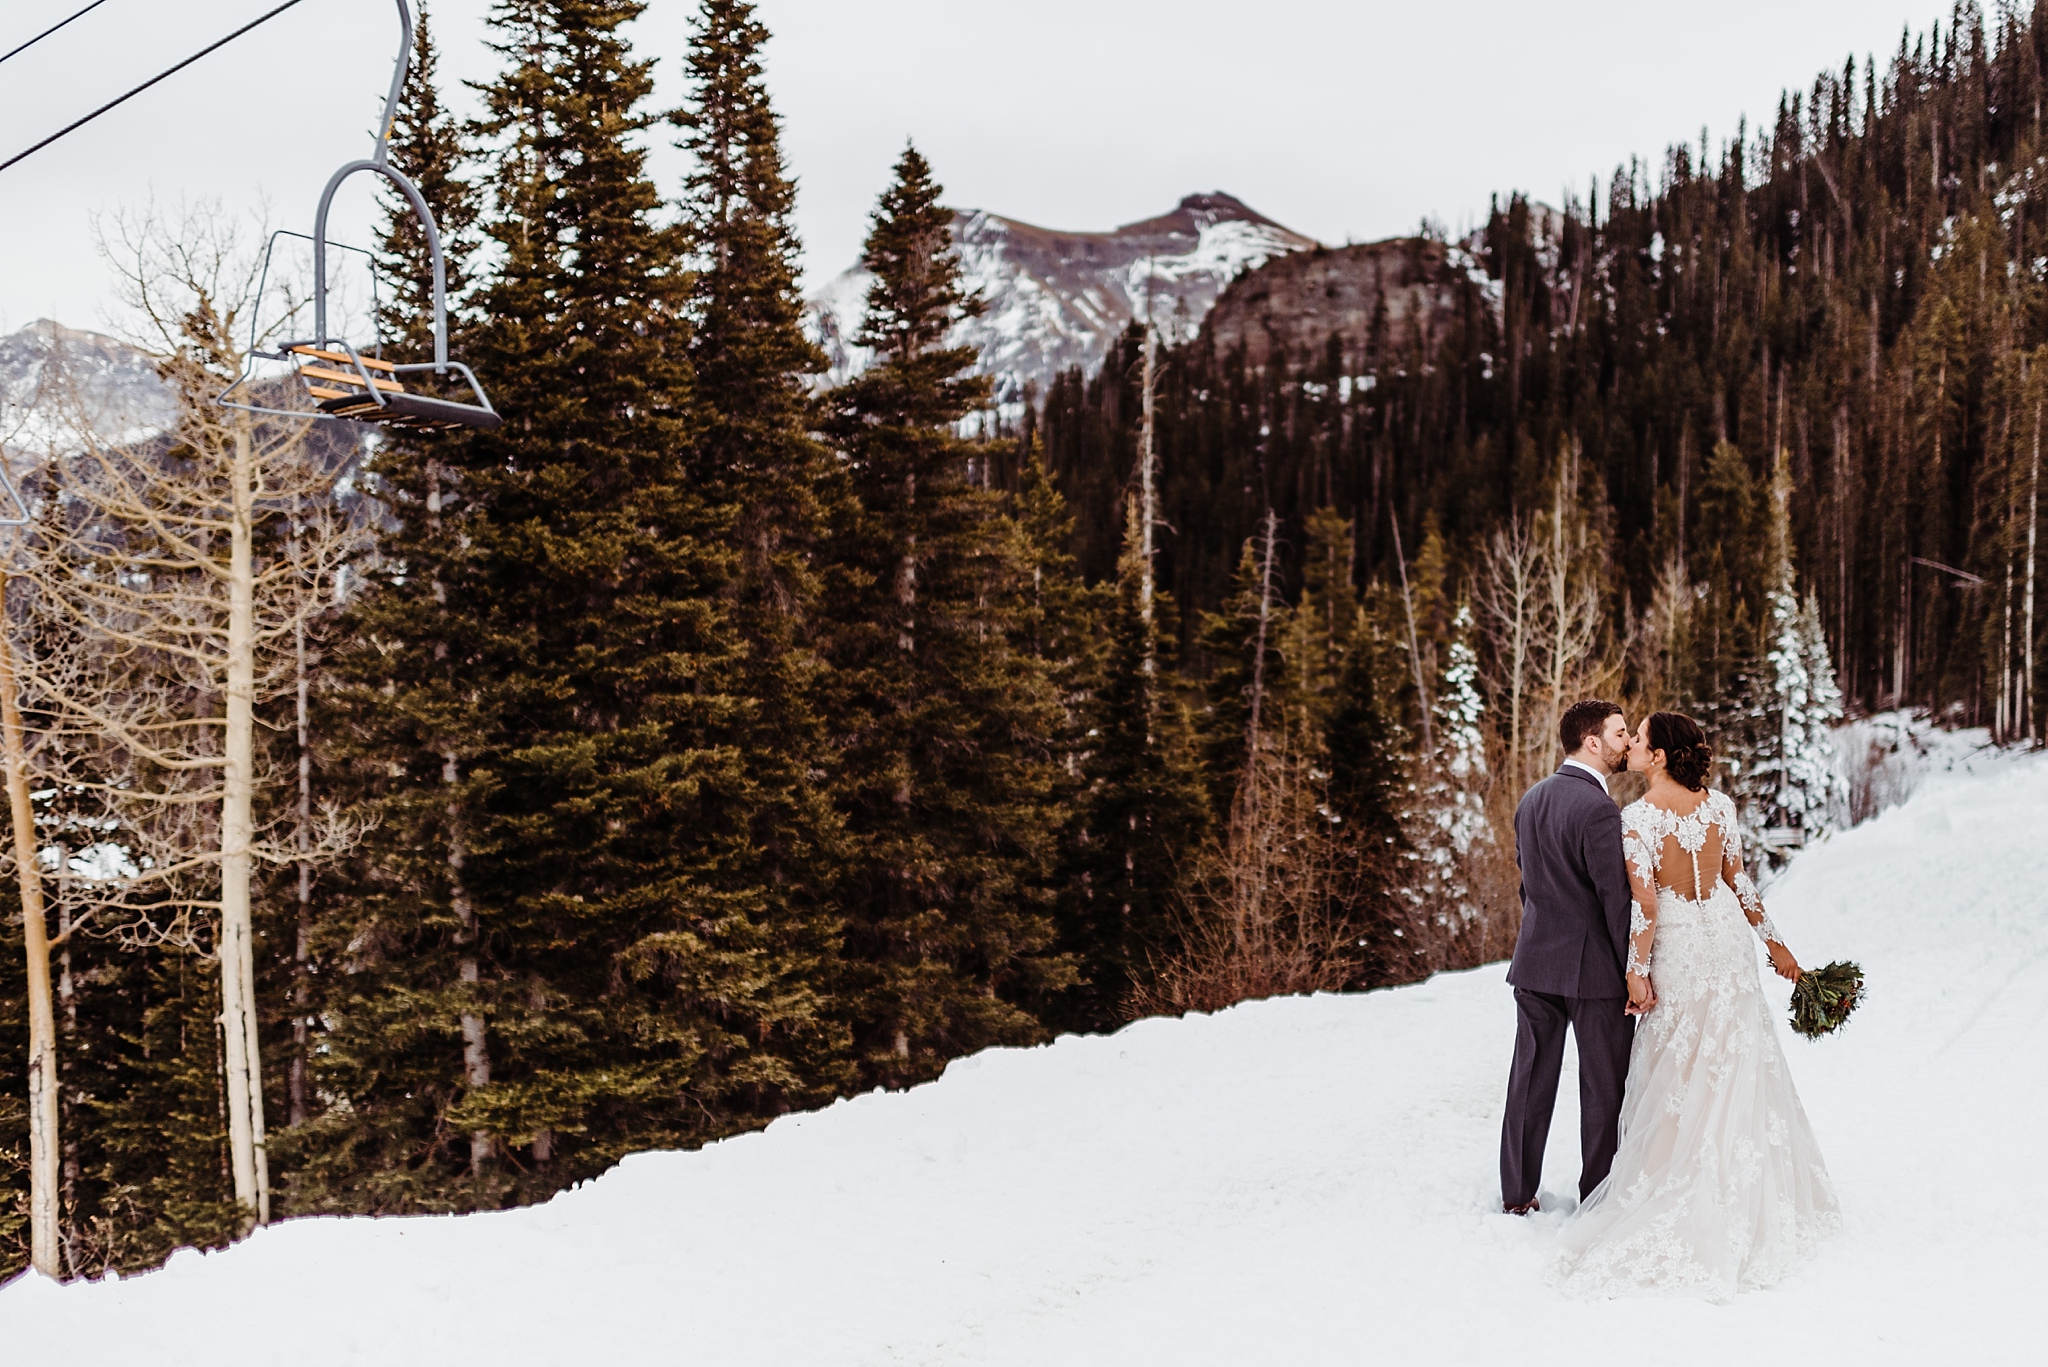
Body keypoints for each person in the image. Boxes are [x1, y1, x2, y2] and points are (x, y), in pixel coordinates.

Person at [1552, 710, 1839, 1296]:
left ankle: (1679, 1183)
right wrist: (1779, 950)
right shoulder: (1722, 807)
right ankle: (1745, 1186)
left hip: (1680, 951)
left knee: (1679, 1068)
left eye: (1641, 740)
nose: (1630, 745)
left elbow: (1647, 907)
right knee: (1734, 1060)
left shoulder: (1637, 818)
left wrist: (1635, 974)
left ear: (1658, 756)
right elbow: (1742, 885)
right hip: (1728, 946)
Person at [1499, 699, 1638, 1216]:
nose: (1628, 743)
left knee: (1529, 1079)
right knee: (1603, 1088)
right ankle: (1598, 1200)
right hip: (1594, 973)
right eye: (1621, 733)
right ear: (1593, 742)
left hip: (1535, 962)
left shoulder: (1531, 799)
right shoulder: (1600, 809)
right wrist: (1634, 972)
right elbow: (1614, 900)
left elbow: (1527, 887)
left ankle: (1517, 1193)